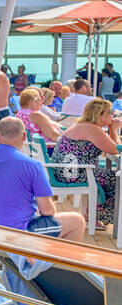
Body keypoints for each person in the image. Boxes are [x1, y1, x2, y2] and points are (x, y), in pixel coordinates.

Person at [0, 117, 86, 241]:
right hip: (16, 234)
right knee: (76, 220)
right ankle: (59, 260)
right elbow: (47, 211)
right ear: (24, 136)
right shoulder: (32, 165)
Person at [49, 97, 120, 230]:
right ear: (100, 114)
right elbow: (117, 150)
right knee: (117, 177)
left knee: (112, 175)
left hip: (67, 171)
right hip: (73, 173)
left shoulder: (86, 126)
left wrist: (111, 130)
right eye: (110, 112)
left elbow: (111, 149)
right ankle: (99, 215)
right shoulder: (92, 128)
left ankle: (93, 213)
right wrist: (114, 130)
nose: (112, 115)